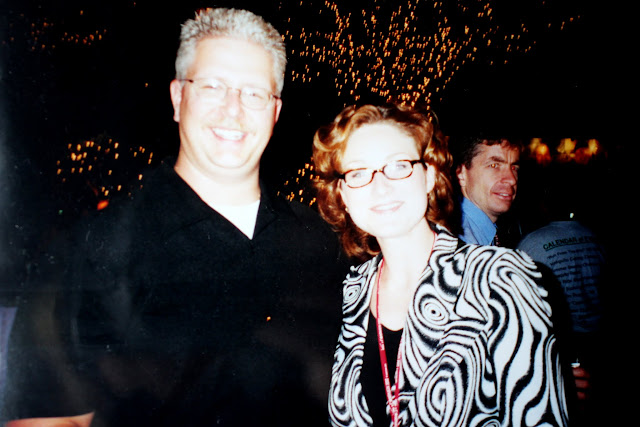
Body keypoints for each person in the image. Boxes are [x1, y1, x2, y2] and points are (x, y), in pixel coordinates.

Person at [2, 8, 346, 426]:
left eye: (254, 93)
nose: (233, 110)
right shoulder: (94, 249)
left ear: (274, 112)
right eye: (213, 86)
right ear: (178, 97)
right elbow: (50, 419)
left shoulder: (321, 243)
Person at [313, 104, 569, 426]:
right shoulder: (351, 293)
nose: (380, 186)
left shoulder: (501, 279)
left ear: (430, 176)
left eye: (399, 165)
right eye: (359, 172)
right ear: (343, 195)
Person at [451, 136, 524, 248]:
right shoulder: (460, 244)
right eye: (494, 165)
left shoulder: (490, 233)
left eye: (514, 168)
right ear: (461, 174)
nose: (512, 180)